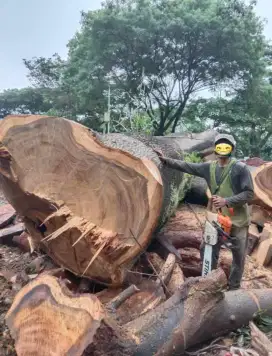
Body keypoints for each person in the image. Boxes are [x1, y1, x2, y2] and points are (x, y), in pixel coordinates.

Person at [158, 133, 254, 290]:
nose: (223, 150)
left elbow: (249, 194)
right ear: (215, 149)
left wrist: (227, 201)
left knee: (238, 255)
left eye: (226, 147)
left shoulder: (240, 169)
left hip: (238, 220)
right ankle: (210, 283)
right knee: (207, 247)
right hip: (217, 218)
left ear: (232, 149)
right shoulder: (208, 167)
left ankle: (234, 287)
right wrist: (166, 160)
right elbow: (187, 166)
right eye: (220, 147)